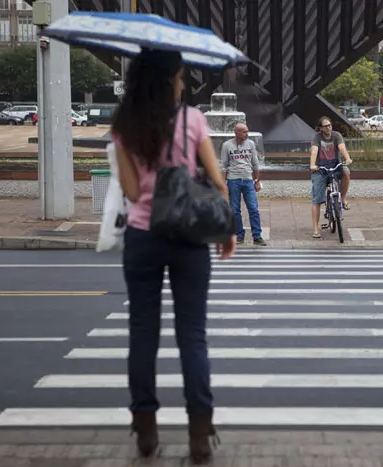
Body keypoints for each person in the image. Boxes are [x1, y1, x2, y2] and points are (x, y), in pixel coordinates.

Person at [111, 48, 235, 463]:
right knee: (192, 336)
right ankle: (200, 433)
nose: (183, 83)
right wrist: (226, 229)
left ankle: (145, 428)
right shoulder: (193, 120)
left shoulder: (124, 125)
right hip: (189, 238)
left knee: (143, 334)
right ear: (169, 79)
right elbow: (217, 182)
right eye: (181, 77)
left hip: (143, 236)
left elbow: (130, 192)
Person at [220, 122, 267, 246]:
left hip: (247, 180)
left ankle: (257, 236)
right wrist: (223, 184)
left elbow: (255, 163)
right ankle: (239, 235)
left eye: (247, 131)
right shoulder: (227, 145)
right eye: (244, 132)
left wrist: (257, 181)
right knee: (234, 209)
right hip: (233, 180)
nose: (247, 134)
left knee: (253, 208)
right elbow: (223, 165)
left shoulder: (250, 144)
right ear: (237, 133)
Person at [309, 116, 353, 238]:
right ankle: (316, 229)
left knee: (346, 172)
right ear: (320, 128)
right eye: (325, 126)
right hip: (320, 169)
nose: (328, 127)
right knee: (317, 200)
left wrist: (347, 158)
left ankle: (343, 199)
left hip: (335, 166)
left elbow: (342, 148)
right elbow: (314, 151)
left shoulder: (336, 135)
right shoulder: (317, 137)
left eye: (330, 125)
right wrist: (312, 165)